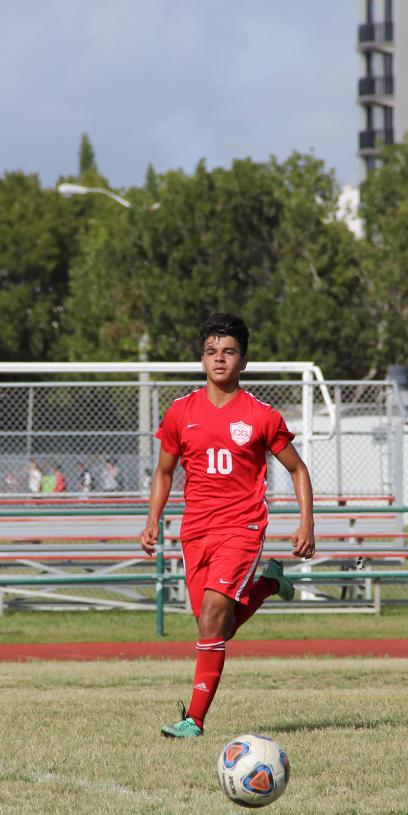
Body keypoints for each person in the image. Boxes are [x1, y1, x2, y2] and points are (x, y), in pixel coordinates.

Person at [140, 312, 315, 738]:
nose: (220, 359)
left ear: (244, 361)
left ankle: (193, 720)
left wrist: (306, 523)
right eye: (212, 352)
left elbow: (297, 469)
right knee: (216, 624)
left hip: (242, 526)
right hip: (195, 530)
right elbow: (164, 472)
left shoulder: (261, 416)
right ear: (202, 360)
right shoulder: (181, 413)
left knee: (214, 616)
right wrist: (151, 520)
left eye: (229, 352)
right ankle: (270, 583)